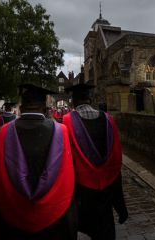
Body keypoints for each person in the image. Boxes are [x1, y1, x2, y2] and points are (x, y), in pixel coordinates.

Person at [0, 84, 77, 240]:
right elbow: (70, 169)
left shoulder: (1, 133)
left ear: (22, 107)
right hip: (54, 218)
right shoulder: (62, 131)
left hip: (12, 215)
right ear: (45, 108)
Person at [63, 83, 128, 240]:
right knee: (105, 228)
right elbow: (116, 155)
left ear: (73, 101)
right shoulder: (108, 119)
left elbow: (66, 158)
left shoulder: (66, 121)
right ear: (89, 99)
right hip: (107, 185)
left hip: (82, 188)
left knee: (85, 223)